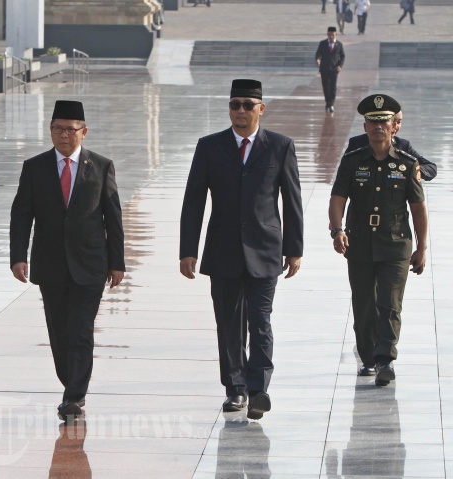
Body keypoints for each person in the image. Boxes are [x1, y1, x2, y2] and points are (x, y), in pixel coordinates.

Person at [179, 79, 304, 420]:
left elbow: (292, 201)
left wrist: (294, 249)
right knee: (229, 325)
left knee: (260, 322)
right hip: (223, 251)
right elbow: (193, 201)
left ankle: (258, 389)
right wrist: (188, 250)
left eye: (248, 105)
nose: (241, 111)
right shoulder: (210, 146)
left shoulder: (280, 146)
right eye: (235, 104)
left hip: (265, 250)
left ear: (261, 108)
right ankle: (235, 389)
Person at [9, 100, 125, 421]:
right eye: (58, 129)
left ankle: (74, 394)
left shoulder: (101, 166)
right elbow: (22, 215)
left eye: (70, 130)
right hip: (50, 265)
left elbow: (113, 218)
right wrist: (18, 256)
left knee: (81, 330)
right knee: (59, 332)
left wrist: (117, 262)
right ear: (50, 131)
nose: (64, 135)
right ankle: (70, 382)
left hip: (91, 264)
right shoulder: (34, 168)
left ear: (83, 132)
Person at [328, 94, 427, 386]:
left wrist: (422, 248)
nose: (378, 127)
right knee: (364, 305)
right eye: (372, 122)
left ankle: (385, 359)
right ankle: (368, 358)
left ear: (393, 126)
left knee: (390, 304)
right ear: (365, 127)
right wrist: (337, 230)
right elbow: (337, 199)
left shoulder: (407, 164)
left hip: (396, 245)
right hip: (359, 243)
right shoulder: (352, 161)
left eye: (383, 122)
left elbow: (418, 208)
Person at [346, 110, 437, 181]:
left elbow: (431, 168)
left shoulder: (403, 145)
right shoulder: (357, 143)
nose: (396, 126)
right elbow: (344, 175)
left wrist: (410, 170)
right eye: (393, 122)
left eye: (399, 122)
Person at [316, 26, 346, 112]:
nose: (331, 36)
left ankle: (331, 104)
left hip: (334, 69)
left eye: (333, 34)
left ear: (336, 34)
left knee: (333, 87)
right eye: (329, 34)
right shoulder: (323, 43)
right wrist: (318, 59)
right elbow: (318, 53)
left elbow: (343, 56)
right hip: (324, 68)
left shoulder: (339, 44)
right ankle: (328, 102)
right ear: (327, 34)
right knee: (325, 86)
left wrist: (340, 65)